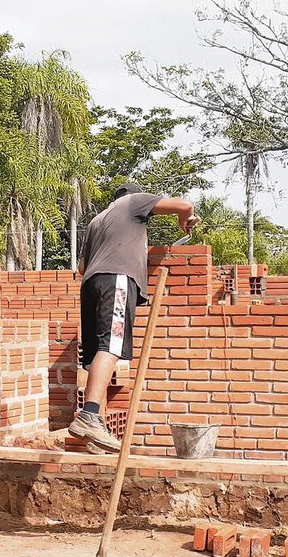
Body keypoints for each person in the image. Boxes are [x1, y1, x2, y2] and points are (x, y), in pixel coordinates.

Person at [68, 183, 199, 453]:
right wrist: (184, 220)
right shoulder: (133, 202)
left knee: (97, 358)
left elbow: (82, 267)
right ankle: (89, 416)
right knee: (112, 346)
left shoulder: (97, 220)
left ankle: (94, 432)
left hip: (91, 285)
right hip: (116, 279)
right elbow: (184, 205)